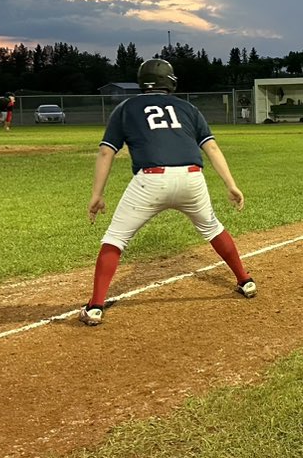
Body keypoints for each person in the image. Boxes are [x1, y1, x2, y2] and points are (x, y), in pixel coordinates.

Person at [80, 58, 256, 326]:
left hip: (150, 181)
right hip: (192, 179)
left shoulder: (126, 107)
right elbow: (211, 148)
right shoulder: (187, 107)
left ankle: (95, 306)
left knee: (116, 239)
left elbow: (106, 152)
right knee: (212, 228)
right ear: (170, 82)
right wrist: (230, 184)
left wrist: (97, 194)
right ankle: (245, 280)